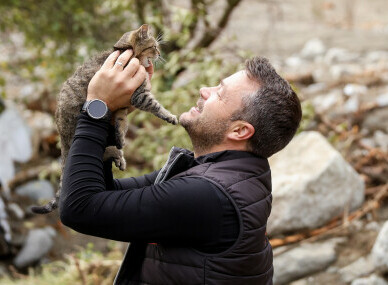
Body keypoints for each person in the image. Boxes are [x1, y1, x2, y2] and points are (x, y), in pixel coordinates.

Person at [59, 49, 302, 284]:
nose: (204, 90)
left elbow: (79, 207)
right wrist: (112, 114)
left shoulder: (209, 195)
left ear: (239, 131)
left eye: (220, 93)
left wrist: (98, 105)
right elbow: (103, 192)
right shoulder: (226, 177)